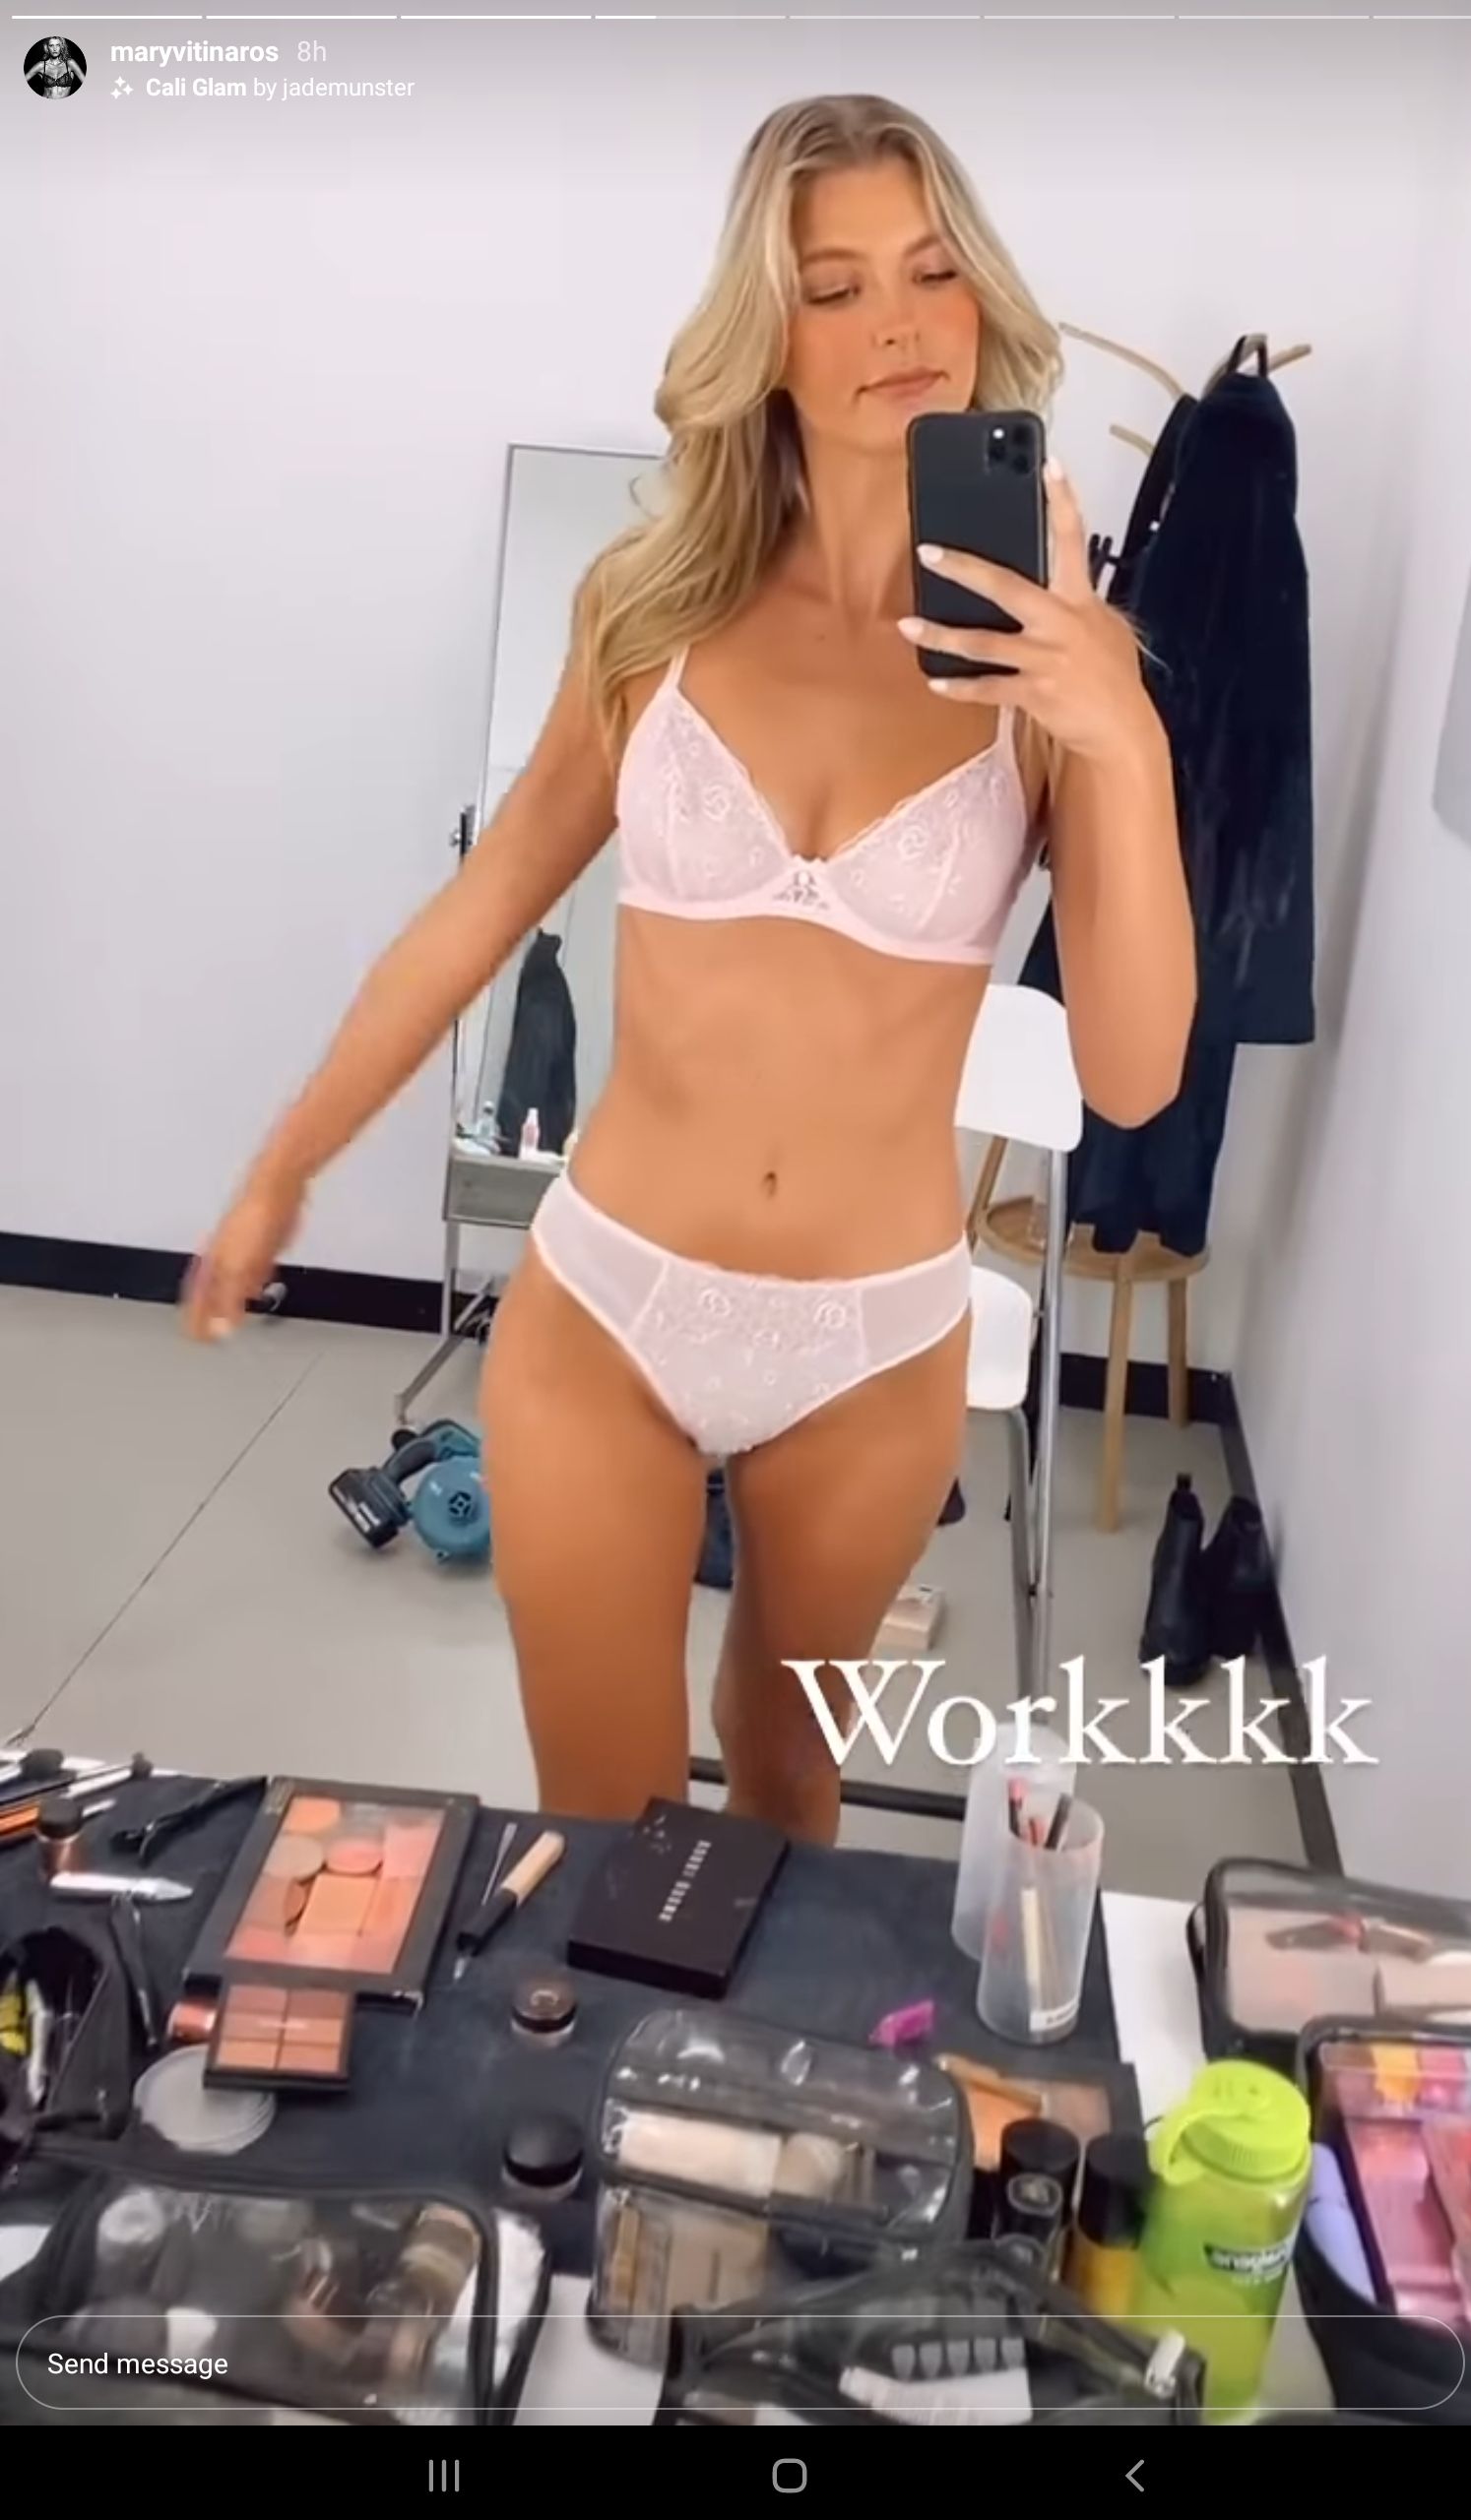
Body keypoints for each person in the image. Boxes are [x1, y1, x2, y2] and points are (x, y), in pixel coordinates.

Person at [186, 94, 1195, 1839]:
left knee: (787, 1786)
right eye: (834, 287)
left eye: (931, 270)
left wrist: (1127, 736)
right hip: (610, 1304)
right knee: (603, 1829)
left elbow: (1131, 1074)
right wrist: (288, 1162)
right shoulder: (650, 609)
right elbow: (477, 912)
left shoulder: (1052, 669)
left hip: (872, 1341)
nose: (897, 323)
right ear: (765, 335)